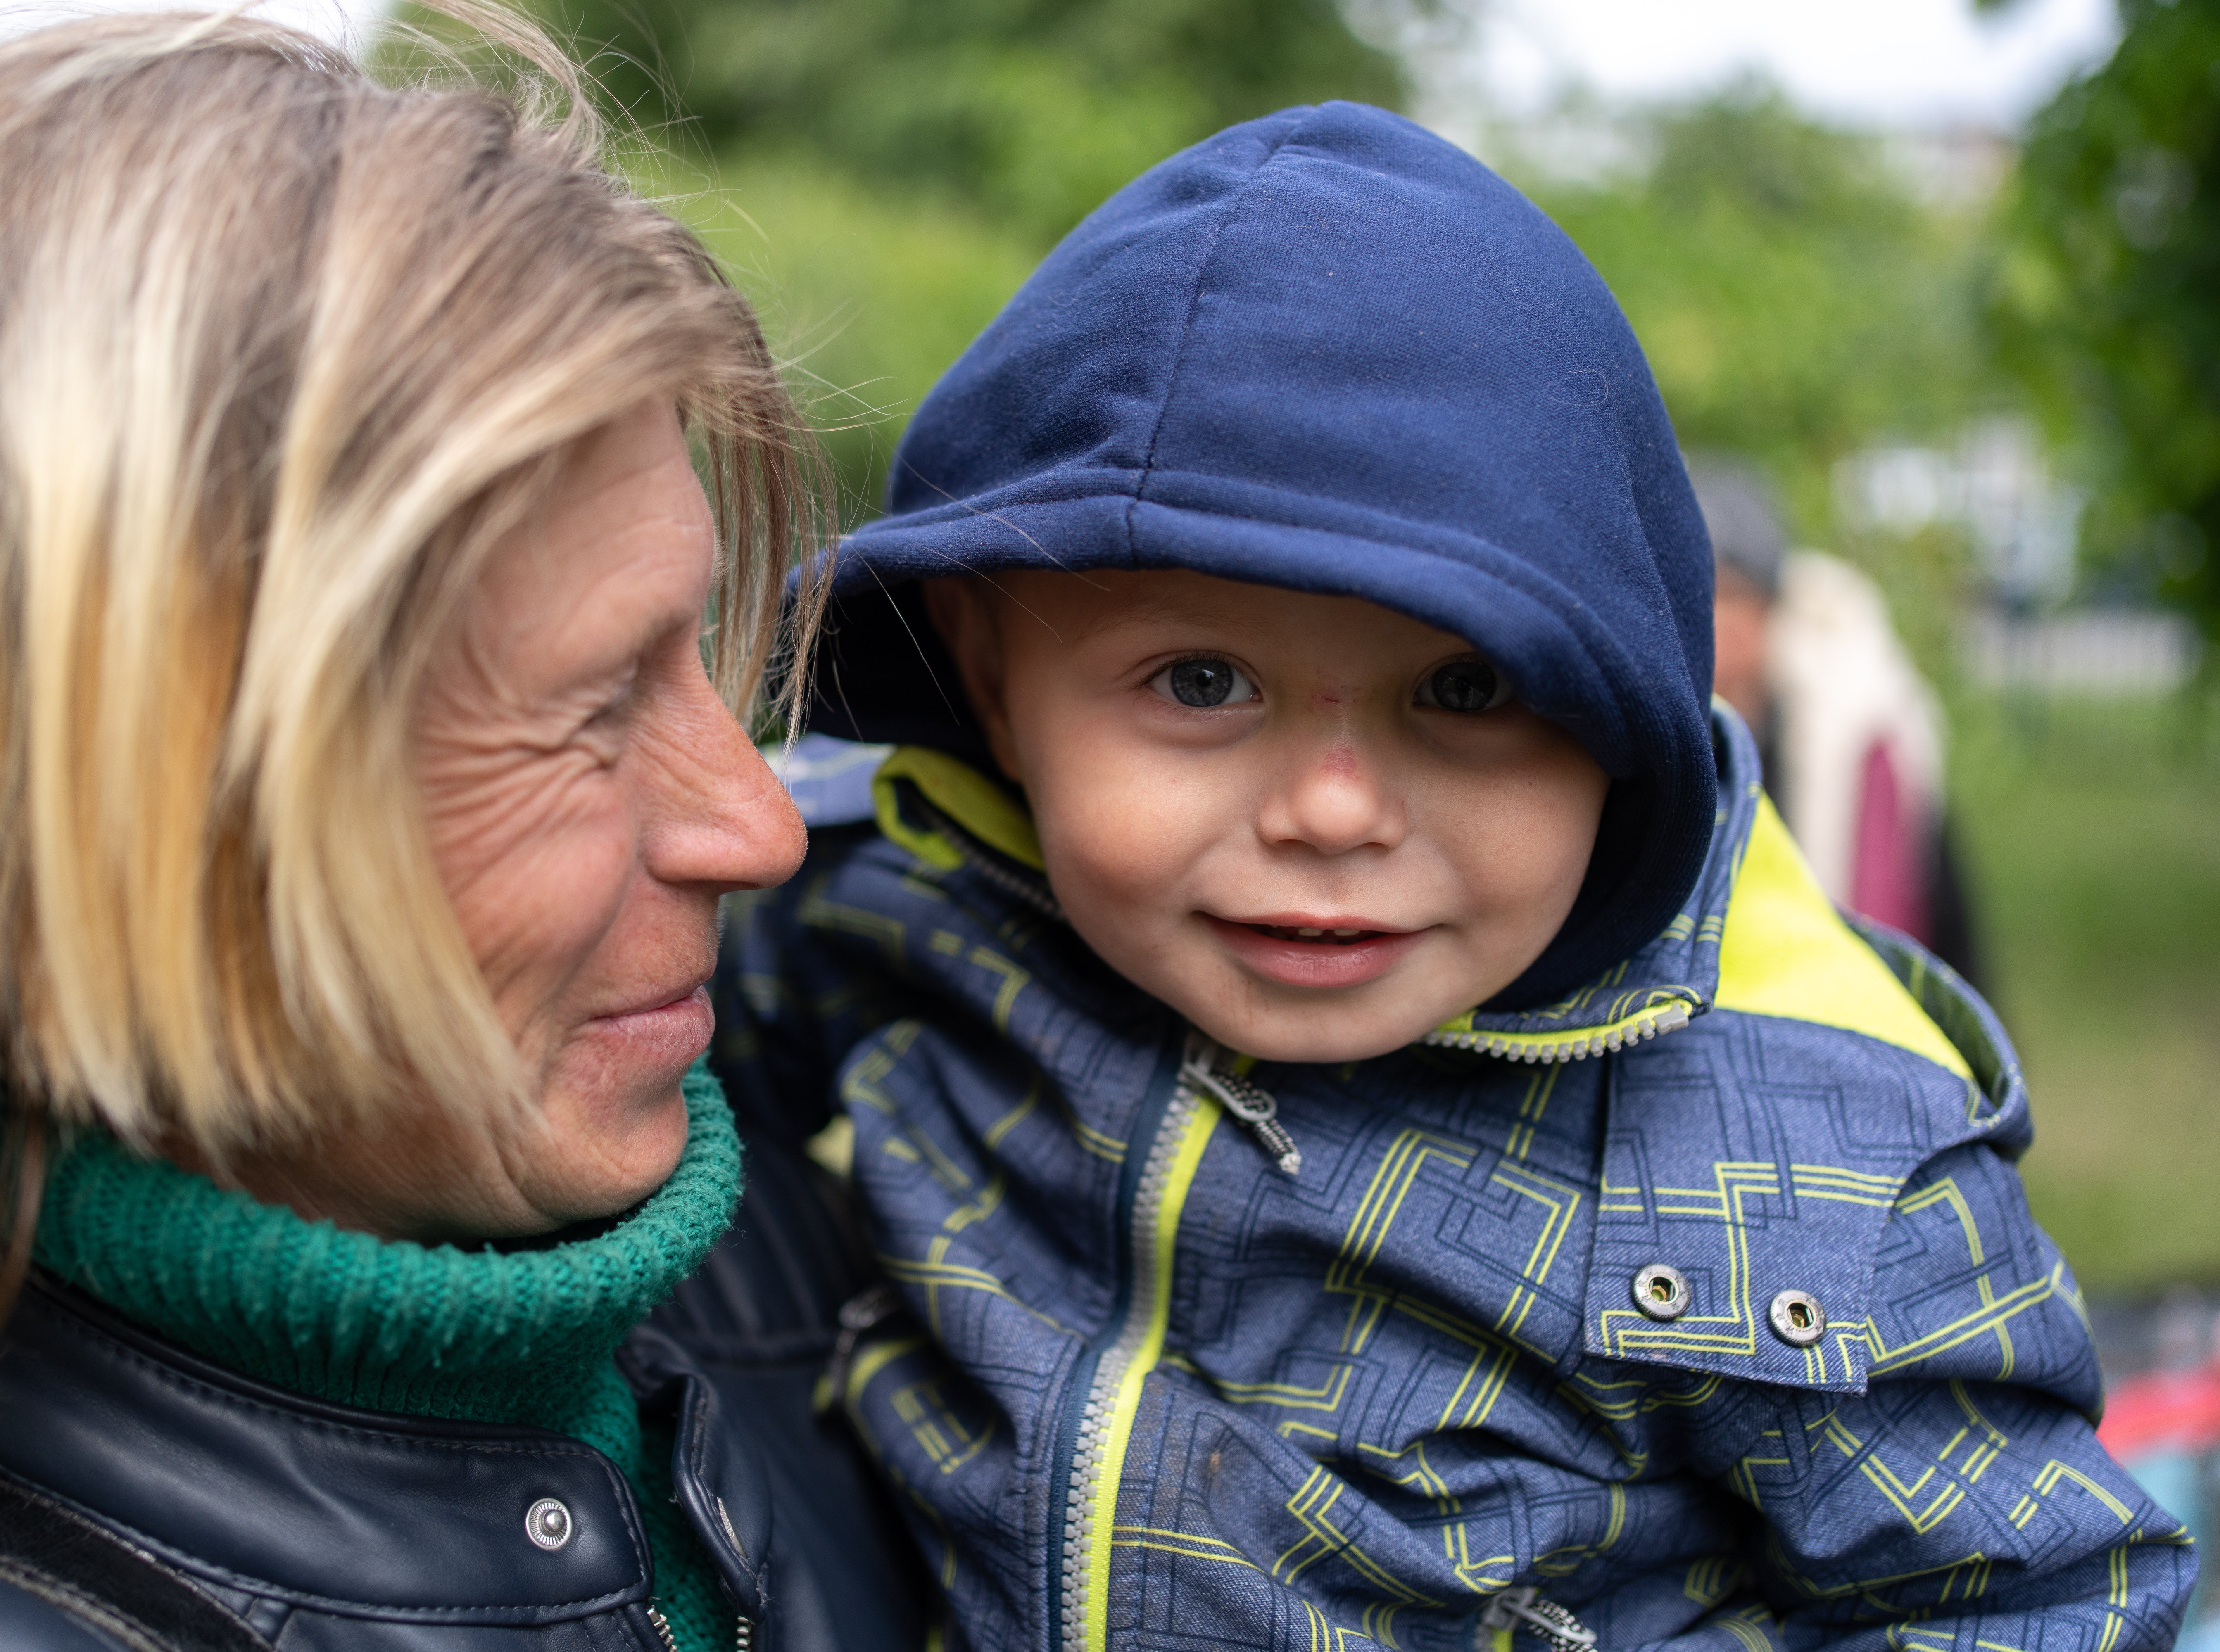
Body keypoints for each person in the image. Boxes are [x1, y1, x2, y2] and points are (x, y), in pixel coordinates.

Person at [713, 106, 2192, 1650]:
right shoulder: (877, 901)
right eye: (1203, 681)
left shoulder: (1810, 1175)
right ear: (991, 674)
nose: (1333, 808)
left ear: (1622, 726)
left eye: (1468, 693)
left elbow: (2039, 1600)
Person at [0, 12, 925, 1649]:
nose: (755, 825)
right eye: (591, 712)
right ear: (100, 816)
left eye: (703, 658)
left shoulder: (852, 1267)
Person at [1690, 456, 1985, 985]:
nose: (1718, 624)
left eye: (1736, 597)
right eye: (1699, 595)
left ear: (1774, 612)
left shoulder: (1847, 747)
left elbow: (1938, 939)